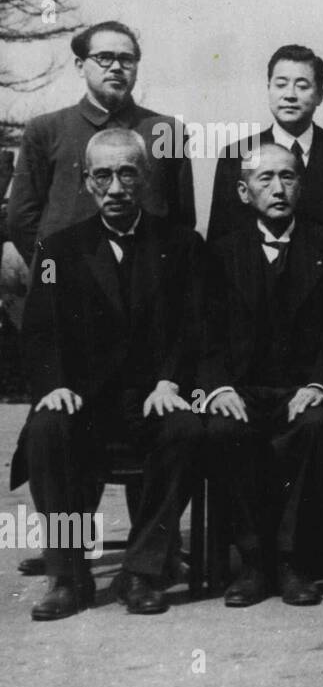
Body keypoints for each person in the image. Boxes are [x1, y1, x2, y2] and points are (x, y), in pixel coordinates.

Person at [12, 129, 204, 619]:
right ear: (87, 182)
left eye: (127, 173)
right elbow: (39, 330)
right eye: (103, 175)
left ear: (145, 177)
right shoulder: (58, 249)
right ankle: (68, 577)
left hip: (151, 399)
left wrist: (171, 382)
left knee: (185, 427)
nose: (116, 187)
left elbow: (194, 326)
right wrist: (53, 385)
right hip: (86, 402)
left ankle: (141, 571)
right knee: (47, 427)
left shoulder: (182, 245)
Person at [201, 144, 323, 607]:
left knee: (315, 426)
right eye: (265, 178)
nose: (278, 187)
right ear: (243, 191)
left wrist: (318, 386)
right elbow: (202, 332)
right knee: (222, 429)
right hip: (243, 390)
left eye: (288, 177)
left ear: (302, 184)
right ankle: (254, 561)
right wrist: (219, 388)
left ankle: (296, 561)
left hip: (301, 388)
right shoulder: (218, 254)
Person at [7, 21, 194, 269]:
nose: (116, 67)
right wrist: (55, 267)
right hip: (69, 283)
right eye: (104, 58)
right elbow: (21, 219)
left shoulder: (166, 131)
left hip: (150, 282)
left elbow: (181, 217)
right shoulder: (45, 129)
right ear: (80, 66)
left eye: (126, 60)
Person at [208, 44, 323, 248]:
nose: (290, 95)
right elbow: (220, 240)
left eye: (302, 86)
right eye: (280, 84)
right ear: (268, 89)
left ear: (320, 95)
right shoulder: (238, 154)